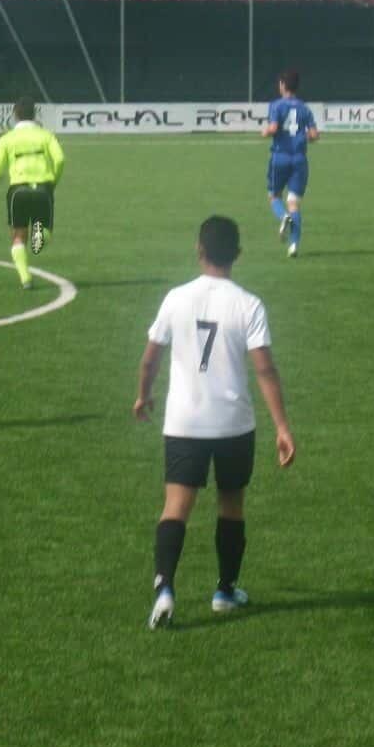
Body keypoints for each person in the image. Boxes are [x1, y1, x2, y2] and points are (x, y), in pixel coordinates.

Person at [134, 216, 296, 629]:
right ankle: (225, 590)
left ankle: (165, 588)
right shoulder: (248, 304)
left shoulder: (175, 298)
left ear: (199, 250)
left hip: (184, 422)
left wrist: (143, 394)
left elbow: (150, 358)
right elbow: (265, 370)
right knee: (231, 504)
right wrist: (282, 426)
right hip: (232, 423)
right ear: (237, 254)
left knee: (176, 506)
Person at [0, 96, 65, 290]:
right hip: (43, 189)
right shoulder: (46, 135)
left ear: (15, 115)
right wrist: (54, 180)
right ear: (35, 114)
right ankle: (38, 241)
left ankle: (25, 278)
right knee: (41, 233)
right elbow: (60, 159)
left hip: (18, 191)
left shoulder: (7, 139)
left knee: (18, 235)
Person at [262, 69, 319, 258]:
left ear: (283, 85)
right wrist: (303, 137)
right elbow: (314, 135)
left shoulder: (276, 105)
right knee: (294, 203)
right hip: (299, 159)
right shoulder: (305, 108)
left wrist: (265, 132)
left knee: (274, 195)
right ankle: (293, 245)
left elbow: (273, 128)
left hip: (280, 157)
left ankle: (283, 216)